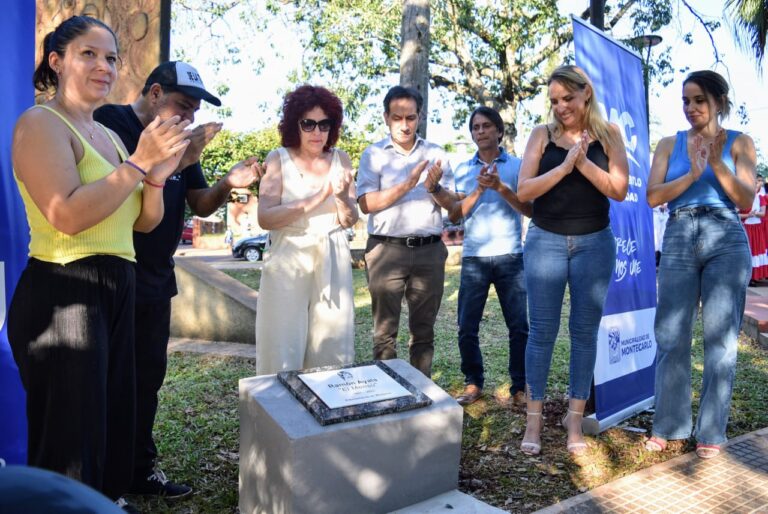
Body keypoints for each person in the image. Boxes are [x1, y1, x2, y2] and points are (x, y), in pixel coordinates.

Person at [8, 15, 190, 509]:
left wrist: (155, 175)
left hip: (118, 284)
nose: (104, 66)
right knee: (70, 434)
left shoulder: (108, 137)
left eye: (110, 57)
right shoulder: (40, 122)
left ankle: (104, 502)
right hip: (65, 289)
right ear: (56, 60)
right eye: (88, 54)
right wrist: (137, 164)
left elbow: (143, 224)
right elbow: (65, 214)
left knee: (110, 418)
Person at [94, 61, 263, 498]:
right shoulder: (108, 123)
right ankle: (103, 484)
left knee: (146, 381)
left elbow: (201, 204)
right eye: (182, 106)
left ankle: (139, 471)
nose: (188, 119)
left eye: (193, 112)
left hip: (156, 279)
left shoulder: (182, 144)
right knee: (109, 383)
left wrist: (227, 181)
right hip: (113, 275)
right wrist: (164, 161)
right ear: (153, 94)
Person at [516, 65, 629, 456]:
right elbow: (524, 190)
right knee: (542, 332)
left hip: (594, 243)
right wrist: (564, 166)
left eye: (568, 98)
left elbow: (619, 189)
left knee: (584, 333)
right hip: (545, 241)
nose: (561, 107)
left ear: (586, 95)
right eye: (554, 101)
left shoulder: (609, 134)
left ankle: (574, 422)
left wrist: (582, 163)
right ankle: (533, 422)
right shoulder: (541, 136)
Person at [646, 70, 755, 459]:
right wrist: (692, 173)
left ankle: (711, 430)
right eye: (686, 101)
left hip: (726, 235)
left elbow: (747, 200)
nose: (691, 108)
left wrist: (716, 165)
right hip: (678, 233)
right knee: (671, 335)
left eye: (699, 100)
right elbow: (652, 195)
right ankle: (669, 424)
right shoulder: (667, 144)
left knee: (720, 339)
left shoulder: (740, 143)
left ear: (719, 102)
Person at [255, 85, 358, 375]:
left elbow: (350, 218)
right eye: (308, 123)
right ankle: (278, 411)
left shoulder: (341, 160)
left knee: (332, 339)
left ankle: (329, 406)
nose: (317, 132)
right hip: (288, 252)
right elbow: (265, 217)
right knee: (281, 338)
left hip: (332, 252)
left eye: (324, 124)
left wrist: (339, 197)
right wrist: (317, 197)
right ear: (294, 125)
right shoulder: (278, 159)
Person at [356, 85, 457, 377]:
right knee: (385, 333)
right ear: (386, 117)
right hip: (386, 251)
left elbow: (453, 207)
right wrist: (408, 183)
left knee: (423, 332)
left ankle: (420, 394)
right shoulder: (373, 155)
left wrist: (434, 188)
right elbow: (366, 204)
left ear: (419, 117)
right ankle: (388, 396)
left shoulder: (436, 154)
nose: (404, 124)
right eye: (397, 117)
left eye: (410, 117)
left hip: (428, 251)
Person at [444, 106, 532, 407]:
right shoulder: (462, 170)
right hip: (474, 259)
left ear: (498, 130)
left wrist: (500, 188)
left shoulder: (518, 166)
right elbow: (454, 215)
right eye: (475, 127)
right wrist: (480, 191)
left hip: (510, 256)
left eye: (485, 126)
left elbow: (529, 208)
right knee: (467, 326)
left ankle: (519, 386)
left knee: (519, 325)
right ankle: (473, 382)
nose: (480, 132)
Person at [738, 176, 767, 284]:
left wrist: (755, 214)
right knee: (748, 251)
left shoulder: (760, 198)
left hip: (757, 227)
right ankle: (747, 276)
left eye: (756, 184)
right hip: (747, 227)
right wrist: (748, 215)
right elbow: (736, 214)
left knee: (757, 251)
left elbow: (763, 213)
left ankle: (756, 276)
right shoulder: (742, 198)